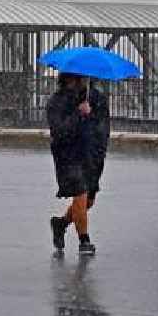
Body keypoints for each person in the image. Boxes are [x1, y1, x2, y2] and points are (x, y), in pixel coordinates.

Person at [48, 73, 110, 255]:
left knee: (87, 201)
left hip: (91, 155)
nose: (84, 80)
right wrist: (79, 114)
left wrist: (101, 148)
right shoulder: (57, 102)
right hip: (68, 156)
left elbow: (103, 126)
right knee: (80, 194)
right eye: (80, 77)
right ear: (69, 79)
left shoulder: (95, 98)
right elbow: (59, 130)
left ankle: (61, 223)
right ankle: (84, 241)